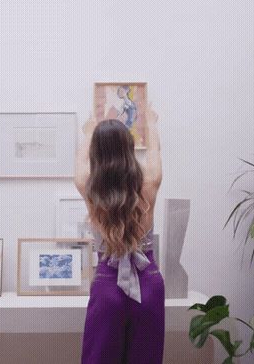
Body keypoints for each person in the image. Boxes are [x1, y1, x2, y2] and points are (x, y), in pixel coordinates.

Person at [75, 102, 164, 364]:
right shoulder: (150, 181)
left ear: (96, 153)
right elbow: (156, 151)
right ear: (129, 148)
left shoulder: (89, 188)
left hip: (107, 285)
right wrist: (151, 123)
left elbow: (80, 162)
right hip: (148, 284)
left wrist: (89, 131)